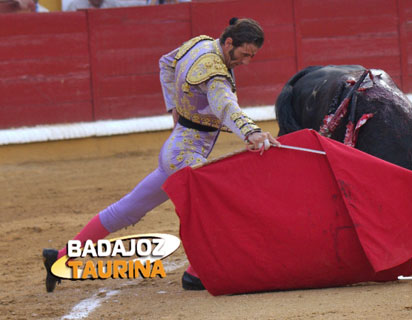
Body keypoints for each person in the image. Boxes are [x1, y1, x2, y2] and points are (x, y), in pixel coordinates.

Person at [42, 18, 281, 293]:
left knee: (127, 209)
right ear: (229, 43)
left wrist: (174, 108)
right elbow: (226, 107)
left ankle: (59, 257)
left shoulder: (200, 44)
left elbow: (166, 63)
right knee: (214, 206)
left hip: (178, 149)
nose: (247, 62)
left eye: (252, 56)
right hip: (184, 156)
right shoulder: (214, 72)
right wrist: (251, 133)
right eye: (244, 54)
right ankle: (195, 274)